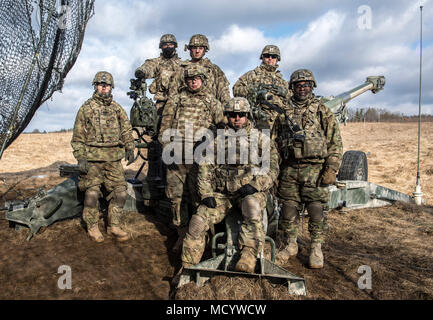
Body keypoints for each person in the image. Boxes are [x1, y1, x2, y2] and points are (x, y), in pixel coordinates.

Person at [181, 97, 280, 273]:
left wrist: (256, 185)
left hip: (249, 193)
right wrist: (206, 194)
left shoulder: (260, 140)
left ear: (247, 116)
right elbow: (205, 167)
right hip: (222, 195)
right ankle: (187, 267)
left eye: (241, 114)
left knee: (252, 208)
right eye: (233, 115)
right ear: (227, 116)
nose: (237, 118)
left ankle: (249, 255)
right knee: (197, 221)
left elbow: (272, 168)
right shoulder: (216, 139)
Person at [275, 69, 343, 268]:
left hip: (315, 169)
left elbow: (335, 142)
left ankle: (316, 248)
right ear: (292, 88)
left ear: (312, 87)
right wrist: (274, 170)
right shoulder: (283, 114)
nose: (302, 88)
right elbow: (274, 143)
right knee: (288, 209)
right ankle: (290, 244)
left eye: (306, 85)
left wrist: (331, 168)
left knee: (316, 210)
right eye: (298, 85)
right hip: (289, 169)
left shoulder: (322, 111)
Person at [158, 64, 225, 252]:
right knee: (176, 197)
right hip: (178, 157)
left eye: (196, 78)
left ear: (203, 80)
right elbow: (164, 128)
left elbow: (222, 128)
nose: (193, 82)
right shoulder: (176, 100)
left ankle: (200, 237)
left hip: (201, 159)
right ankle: (181, 233)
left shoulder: (213, 102)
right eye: (189, 79)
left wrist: (211, 137)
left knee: (199, 198)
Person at [71, 71, 135, 242]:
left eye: (106, 85)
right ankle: (92, 227)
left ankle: (113, 226)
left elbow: (126, 130)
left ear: (111, 87)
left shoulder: (117, 109)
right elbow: (78, 137)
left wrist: (130, 147)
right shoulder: (86, 109)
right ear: (95, 86)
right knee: (91, 194)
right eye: (100, 84)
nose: (104, 87)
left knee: (120, 193)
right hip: (92, 160)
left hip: (113, 159)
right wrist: (81, 158)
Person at [233, 45, 291, 132]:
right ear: (262, 57)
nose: (270, 59)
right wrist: (253, 89)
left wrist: (284, 92)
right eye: (267, 56)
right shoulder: (252, 75)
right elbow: (236, 89)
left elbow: (292, 99)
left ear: (277, 59)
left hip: (278, 123)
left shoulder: (282, 81)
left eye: (273, 56)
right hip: (257, 121)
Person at [170, 34, 230, 105]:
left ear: (205, 50)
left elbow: (224, 93)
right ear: (189, 49)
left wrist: (225, 112)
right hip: (185, 110)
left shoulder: (214, 70)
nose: (197, 51)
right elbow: (172, 93)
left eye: (200, 48)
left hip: (209, 110)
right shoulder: (181, 69)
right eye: (194, 48)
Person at [134, 34, 182, 114]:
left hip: (180, 103)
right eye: (165, 45)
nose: (168, 47)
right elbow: (148, 67)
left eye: (170, 44)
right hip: (162, 103)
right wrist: (141, 72)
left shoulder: (182, 64)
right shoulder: (157, 62)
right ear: (161, 47)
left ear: (175, 46)